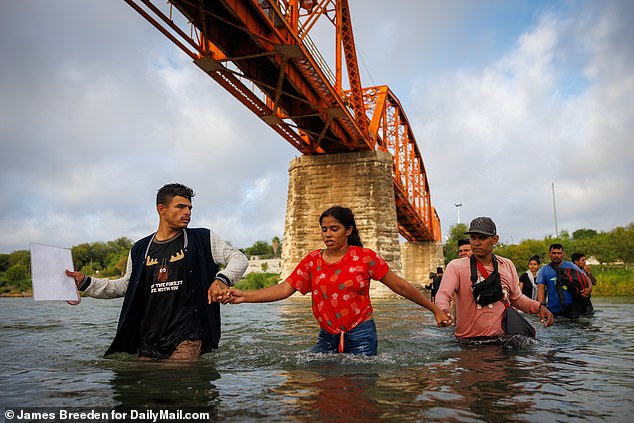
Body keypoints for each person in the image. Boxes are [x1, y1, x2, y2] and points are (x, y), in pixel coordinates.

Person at [228, 206, 452, 355]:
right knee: (326, 393)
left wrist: (435, 310)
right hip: (326, 337)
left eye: (334, 229)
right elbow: (285, 288)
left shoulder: (365, 258)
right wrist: (244, 296)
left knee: (358, 393)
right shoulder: (312, 261)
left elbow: (401, 286)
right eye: (324, 229)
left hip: (362, 335)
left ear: (349, 230)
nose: (327, 234)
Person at [65, 183, 248, 361]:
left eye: (190, 208)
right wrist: (86, 283)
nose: (188, 212)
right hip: (149, 336)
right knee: (146, 383)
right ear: (162, 209)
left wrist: (222, 280)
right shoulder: (140, 248)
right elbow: (126, 285)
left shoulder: (202, 238)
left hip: (188, 334)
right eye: (181, 207)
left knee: (173, 378)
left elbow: (239, 259)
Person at [435, 217, 553, 341]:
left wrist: (539, 307)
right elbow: (444, 293)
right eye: (473, 238)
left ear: (495, 239)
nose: (476, 242)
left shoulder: (506, 265)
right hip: (468, 343)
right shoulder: (456, 267)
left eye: (482, 238)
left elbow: (516, 298)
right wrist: (443, 310)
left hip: (502, 341)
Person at [536, 244, 590, 319]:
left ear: (563, 254)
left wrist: (589, 288)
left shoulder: (571, 266)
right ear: (549, 254)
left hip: (572, 307)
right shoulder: (543, 270)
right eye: (554, 253)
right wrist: (541, 307)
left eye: (559, 253)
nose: (556, 255)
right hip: (553, 308)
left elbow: (585, 277)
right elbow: (540, 289)